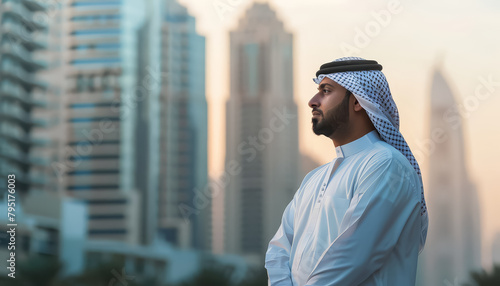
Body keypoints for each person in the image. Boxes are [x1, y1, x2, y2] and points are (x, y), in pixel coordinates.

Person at [265, 57, 428, 286]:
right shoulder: (313, 179)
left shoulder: (387, 165)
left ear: (358, 101)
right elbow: (279, 249)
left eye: (326, 91)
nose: (312, 101)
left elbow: (352, 259)